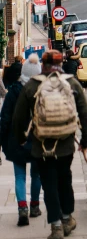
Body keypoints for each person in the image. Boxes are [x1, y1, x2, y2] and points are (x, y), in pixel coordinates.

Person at [13, 50, 87, 239]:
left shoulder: (32, 86)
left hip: (41, 146)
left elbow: (18, 118)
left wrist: (21, 139)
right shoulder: (72, 84)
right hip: (65, 145)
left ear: (43, 65)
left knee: (49, 183)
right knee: (65, 179)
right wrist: (86, 141)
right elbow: (86, 115)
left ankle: (56, 227)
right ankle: (67, 219)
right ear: (60, 64)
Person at [0, 62, 42, 226]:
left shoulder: (13, 92)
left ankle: (22, 208)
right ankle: (35, 206)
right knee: (36, 175)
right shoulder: (41, 91)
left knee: (19, 176)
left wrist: (2, 139)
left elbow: (4, 119)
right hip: (37, 140)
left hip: (17, 139)